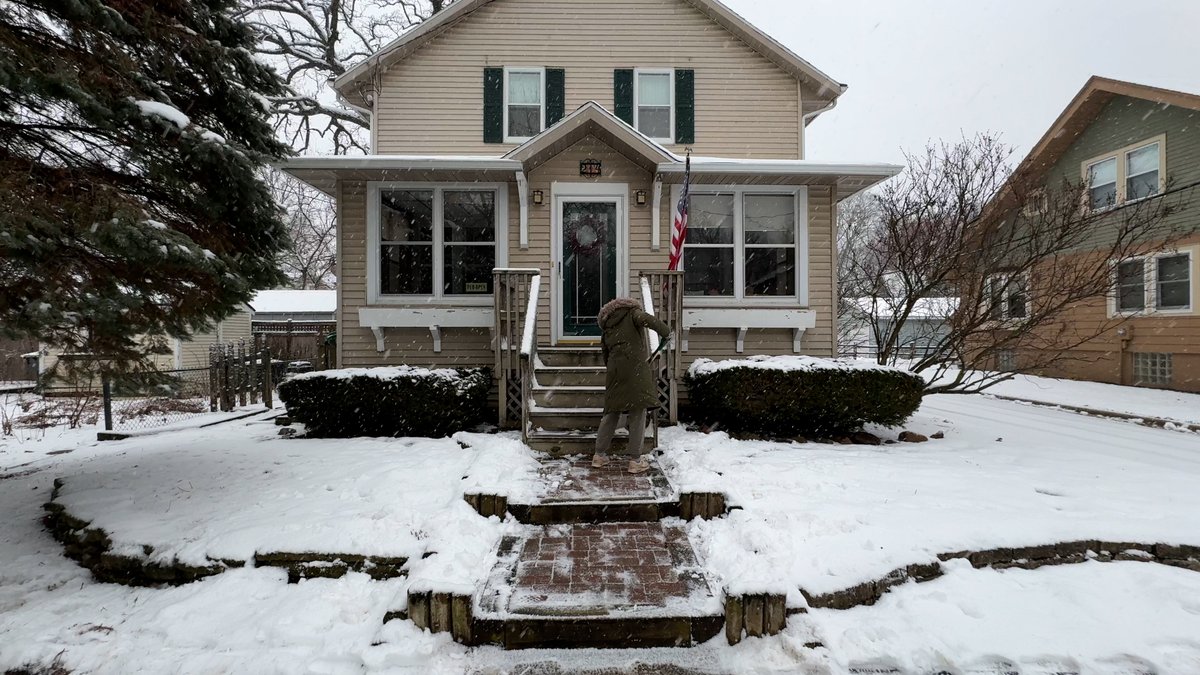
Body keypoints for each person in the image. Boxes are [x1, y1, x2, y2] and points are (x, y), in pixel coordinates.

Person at [592, 297, 671, 473]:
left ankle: (599, 455)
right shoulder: (631, 313)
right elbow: (648, 320)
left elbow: (605, 353)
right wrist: (666, 332)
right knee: (638, 411)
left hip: (614, 370)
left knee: (612, 412)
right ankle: (635, 460)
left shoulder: (607, 326)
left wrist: (615, 368)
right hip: (634, 367)